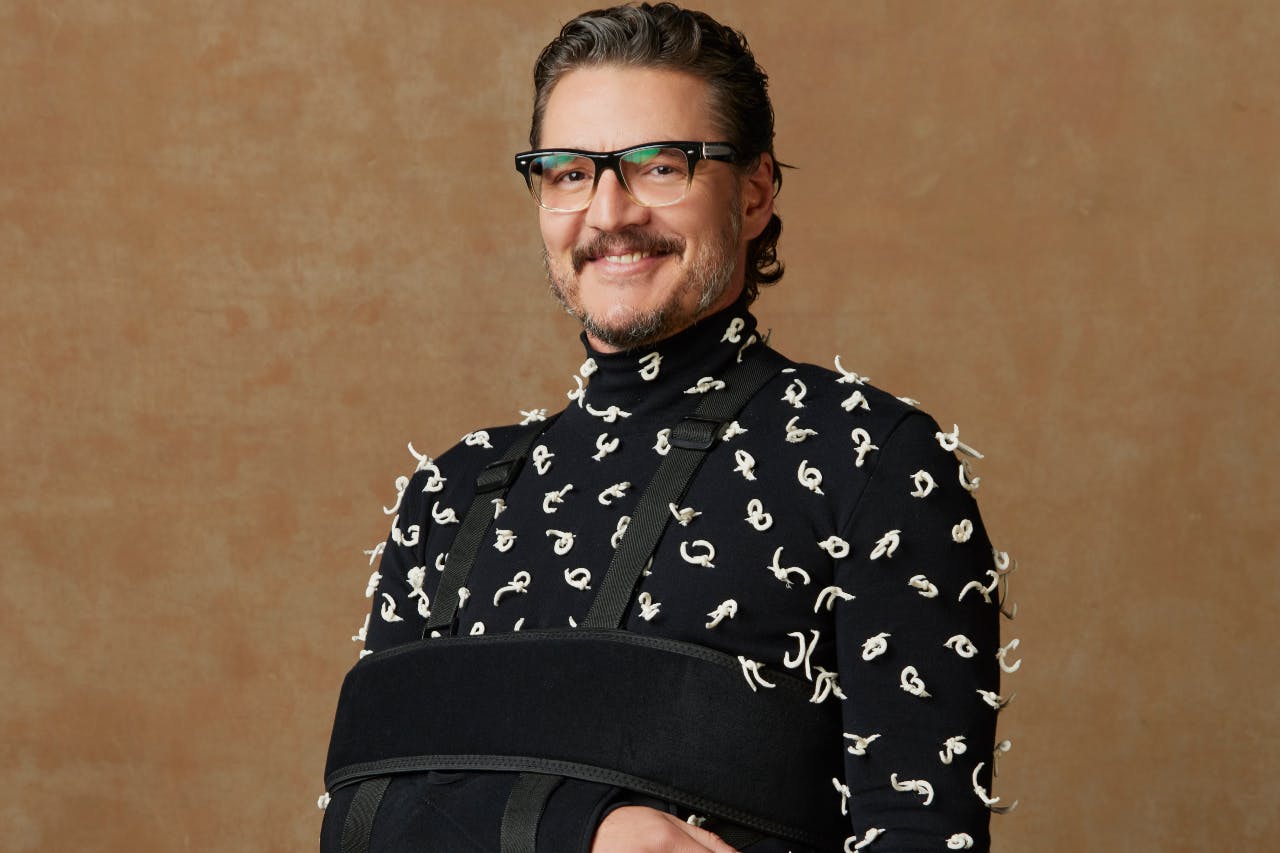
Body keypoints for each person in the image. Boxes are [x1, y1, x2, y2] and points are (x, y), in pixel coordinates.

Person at [321, 4, 1016, 851]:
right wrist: (606, 833)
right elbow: (359, 825)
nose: (610, 213)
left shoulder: (865, 462)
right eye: (570, 173)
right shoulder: (451, 492)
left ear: (755, 193)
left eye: (659, 166)